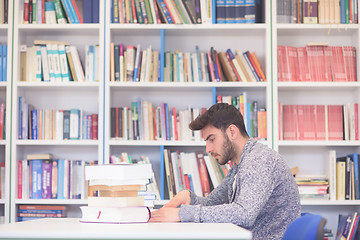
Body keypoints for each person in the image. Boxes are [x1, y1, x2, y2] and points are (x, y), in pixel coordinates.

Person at [149, 103, 301, 240]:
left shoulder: (259, 159)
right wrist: (189, 197)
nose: (208, 149)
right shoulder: (239, 164)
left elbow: (244, 214)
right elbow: (213, 203)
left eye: (212, 139)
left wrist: (182, 214)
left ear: (232, 132)